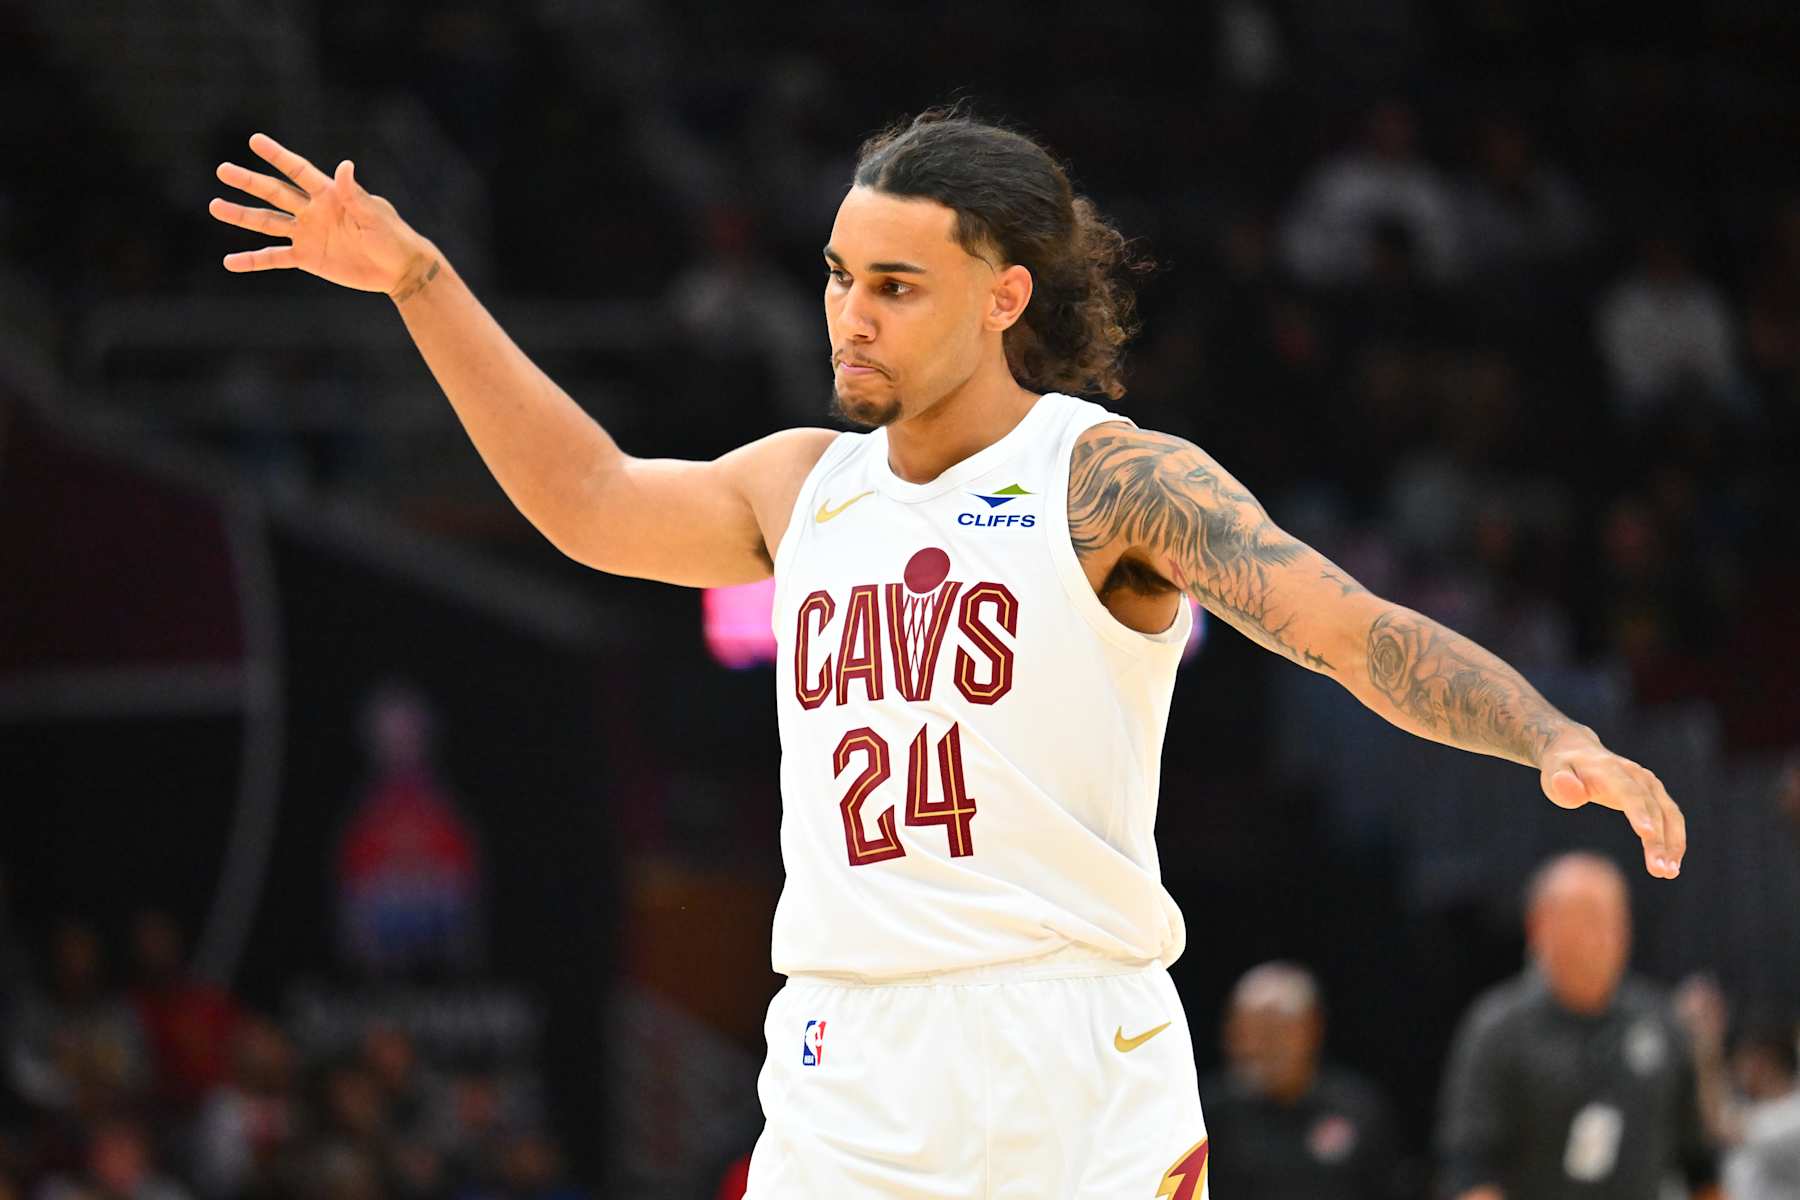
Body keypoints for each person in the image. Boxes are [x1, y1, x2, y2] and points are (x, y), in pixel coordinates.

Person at [209, 107, 1689, 1198]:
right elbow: (590, 499)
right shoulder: (805, 485)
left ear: (1004, 296)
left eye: (895, 286)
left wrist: (1545, 733)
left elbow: (1343, 627)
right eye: (843, 275)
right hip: (850, 1046)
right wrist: (421, 284)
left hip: (1067, 1040)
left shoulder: (1107, 479)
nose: (851, 313)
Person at [1436, 853, 1718, 1199]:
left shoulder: (1661, 1022)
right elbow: (1470, 1167)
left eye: (1617, 916)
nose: (1607, 932)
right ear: (1539, 927)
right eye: (1589, 916)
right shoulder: (1498, 1029)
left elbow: (1700, 1163)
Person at [1199, 963, 1404, 1199]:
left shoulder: (1358, 1109)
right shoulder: (1209, 1115)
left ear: (1312, 1028)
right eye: (1251, 1031)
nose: (1263, 1046)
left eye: (1276, 1031)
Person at [1723, 1016, 1800, 1198]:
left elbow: (1722, 1128)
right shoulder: (1752, 1106)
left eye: (1743, 1059)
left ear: (1764, 1061)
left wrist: (1707, 1050)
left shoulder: (1794, 1114)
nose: (1736, 1068)